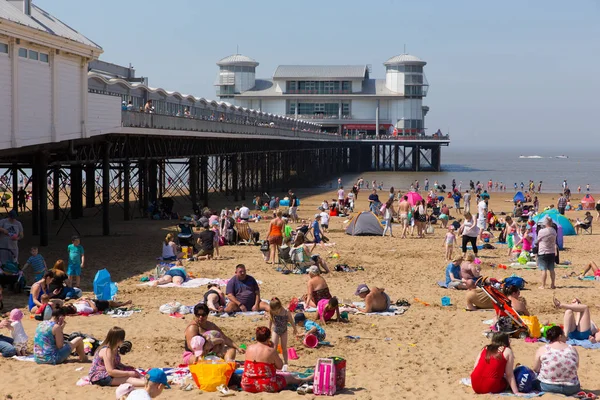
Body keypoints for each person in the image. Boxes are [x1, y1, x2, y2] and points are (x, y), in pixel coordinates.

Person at [241, 326, 312, 393]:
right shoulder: (270, 351)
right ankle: (305, 380)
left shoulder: (249, 348)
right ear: (268, 338)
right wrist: (273, 349)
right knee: (289, 377)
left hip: (247, 384)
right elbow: (280, 366)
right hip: (266, 385)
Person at [532, 326, 580, 396]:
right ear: (560, 336)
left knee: (534, 377)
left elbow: (535, 369)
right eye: (564, 335)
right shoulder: (572, 349)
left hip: (548, 386)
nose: (566, 337)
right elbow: (576, 366)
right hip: (571, 388)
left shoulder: (543, 349)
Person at [268, 297, 298, 369]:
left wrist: (295, 329)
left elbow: (291, 321)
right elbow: (270, 321)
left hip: (284, 331)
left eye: (277, 311)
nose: (276, 312)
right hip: (275, 330)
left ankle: (286, 362)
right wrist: (268, 329)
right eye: (274, 311)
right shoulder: (272, 311)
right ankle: (273, 361)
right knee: (273, 347)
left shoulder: (286, 311)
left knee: (284, 347)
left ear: (280, 306)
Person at [536, 217, 557, 289]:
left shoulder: (542, 231)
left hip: (543, 251)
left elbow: (537, 241)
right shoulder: (554, 231)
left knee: (543, 269)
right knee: (552, 269)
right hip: (551, 251)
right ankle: (553, 284)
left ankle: (543, 285)